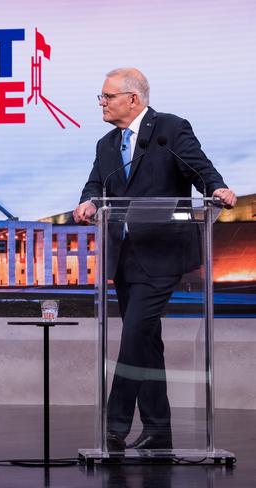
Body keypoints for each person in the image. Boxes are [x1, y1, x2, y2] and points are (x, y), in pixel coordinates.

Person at [73, 68, 236, 452]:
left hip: (162, 253)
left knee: (133, 336)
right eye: (101, 96)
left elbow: (200, 169)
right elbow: (97, 183)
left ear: (133, 99)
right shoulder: (106, 145)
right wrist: (88, 200)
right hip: (125, 257)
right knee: (147, 342)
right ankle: (159, 429)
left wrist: (218, 188)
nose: (102, 103)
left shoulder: (170, 129)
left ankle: (114, 426)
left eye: (107, 96)